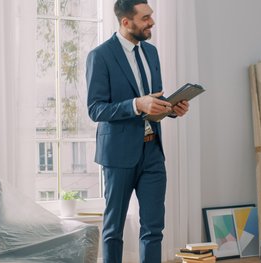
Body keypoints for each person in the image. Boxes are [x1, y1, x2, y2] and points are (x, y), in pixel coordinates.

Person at [86, 0, 190, 262]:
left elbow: (153, 101)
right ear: (125, 22)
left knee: (154, 228)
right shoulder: (100, 56)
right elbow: (96, 109)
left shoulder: (151, 52)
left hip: (153, 150)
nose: (151, 22)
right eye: (145, 18)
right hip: (118, 155)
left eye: (151, 16)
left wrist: (170, 108)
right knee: (113, 229)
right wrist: (136, 104)